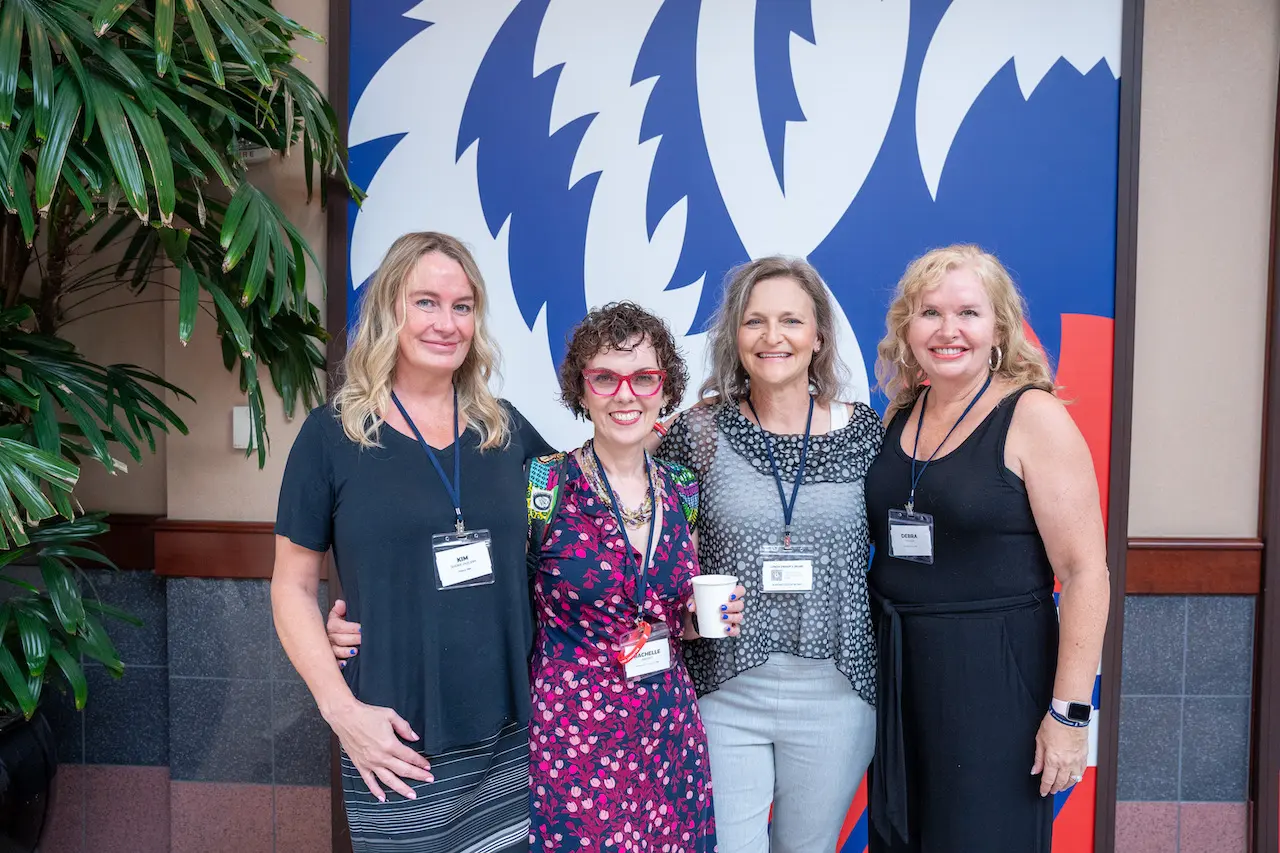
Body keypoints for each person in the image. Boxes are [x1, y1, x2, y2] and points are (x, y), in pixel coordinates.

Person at [325, 301, 747, 852]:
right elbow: (469, 575)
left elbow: (661, 612)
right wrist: (361, 624)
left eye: (644, 378)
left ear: (664, 389)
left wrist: (694, 623)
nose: (625, 394)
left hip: (668, 732)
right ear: (581, 389)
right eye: (605, 378)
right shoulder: (544, 485)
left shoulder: (683, 489)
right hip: (573, 740)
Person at [271, 231, 555, 853]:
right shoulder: (333, 436)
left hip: (510, 738)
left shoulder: (507, 432)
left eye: (462, 306)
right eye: (426, 302)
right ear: (389, 310)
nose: (446, 323)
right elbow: (291, 585)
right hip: (392, 738)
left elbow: (586, 537)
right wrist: (341, 710)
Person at [863, 244, 1110, 853]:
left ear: (999, 327)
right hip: (899, 670)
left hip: (995, 677)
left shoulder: (1034, 417)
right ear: (907, 328)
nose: (948, 330)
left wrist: (1070, 716)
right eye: (929, 313)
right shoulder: (901, 413)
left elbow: (1085, 574)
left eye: (967, 313)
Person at [656, 256, 882, 853]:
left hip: (835, 694)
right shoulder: (699, 432)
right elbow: (632, 511)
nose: (773, 337)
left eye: (790, 321)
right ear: (735, 335)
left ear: (819, 337)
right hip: (725, 692)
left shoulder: (863, 433)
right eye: (755, 321)